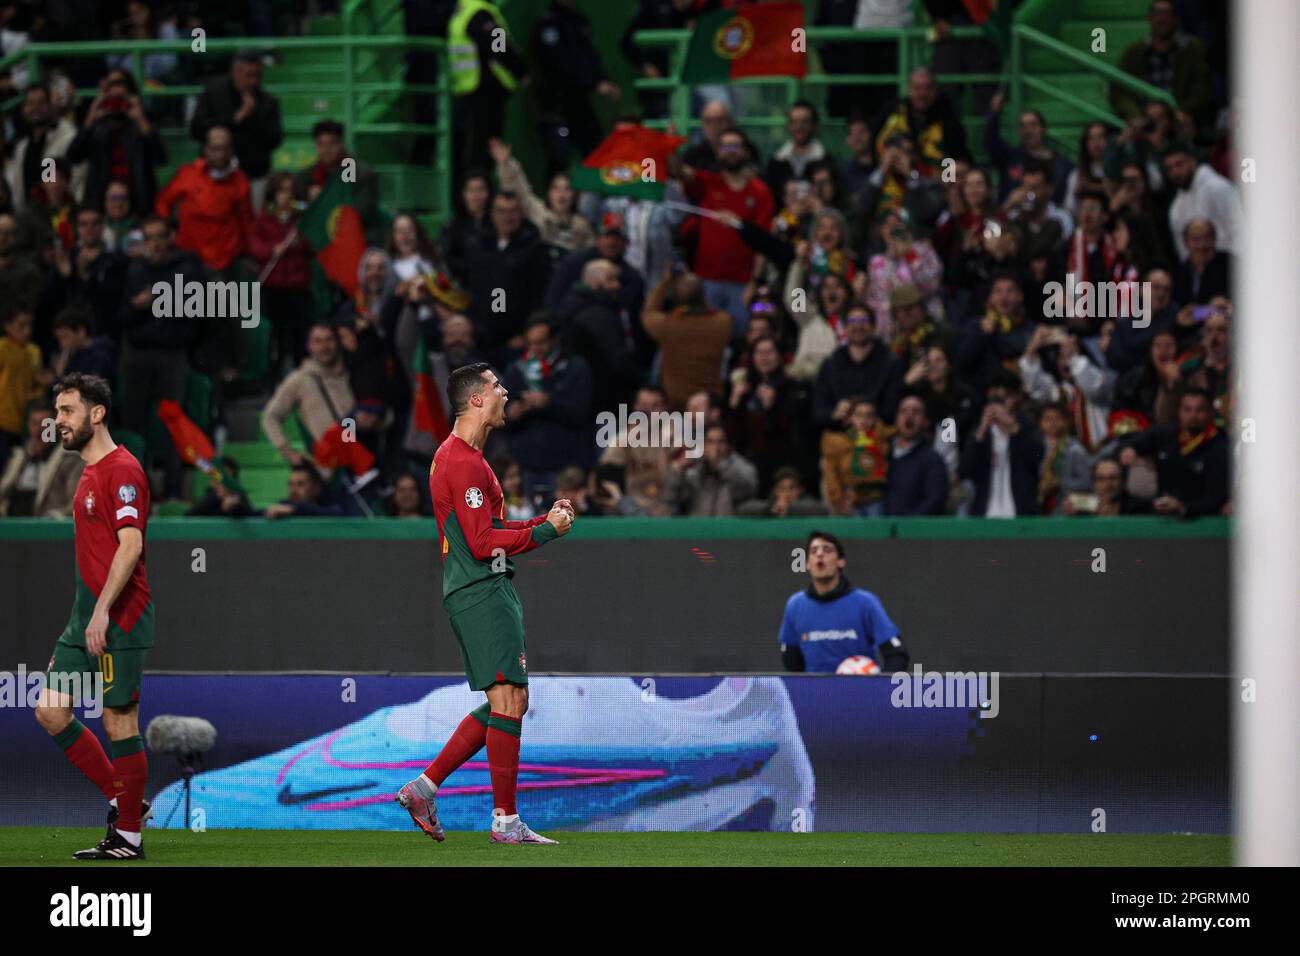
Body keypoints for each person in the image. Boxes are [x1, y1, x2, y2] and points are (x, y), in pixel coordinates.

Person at [398, 361, 573, 846]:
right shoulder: (462, 461)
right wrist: (544, 532)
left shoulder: (463, 458)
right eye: (496, 386)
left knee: (510, 701)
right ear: (476, 399)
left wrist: (544, 521)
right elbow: (480, 543)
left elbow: (489, 531)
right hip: (480, 589)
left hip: (485, 588)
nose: (505, 391)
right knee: (507, 700)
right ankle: (504, 821)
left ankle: (423, 788)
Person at [34, 373, 153, 860]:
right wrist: (87, 614)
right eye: (57, 411)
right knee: (50, 710)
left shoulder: (122, 470)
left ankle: (128, 837)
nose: (57, 421)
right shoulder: (88, 471)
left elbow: (132, 544)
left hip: (120, 618)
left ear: (96, 413)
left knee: (118, 720)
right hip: (83, 618)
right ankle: (126, 802)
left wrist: (103, 612)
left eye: (67, 411)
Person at [672, 127, 775, 334]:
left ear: (746, 152)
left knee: (739, 338)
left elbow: (764, 244)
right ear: (717, 152)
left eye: (735, 146)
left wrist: (753, 283)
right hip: (706, 283)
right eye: (725, 146)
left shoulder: (760, 192)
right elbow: (678, 171)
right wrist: (673, 144)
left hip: (742, 284)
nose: (730, 151)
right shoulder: (707, 183)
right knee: (704, 339)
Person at [778, 530, 910, 674]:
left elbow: (897, 654)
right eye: (813, 551)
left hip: (861, 693)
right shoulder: (795, 605)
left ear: (841, 561)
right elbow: (791, 662)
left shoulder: (865, 603)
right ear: (808, 564)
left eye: (827, 550)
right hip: (815, 694)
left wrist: (877, 688)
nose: (819, 554)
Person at [189, 49, 284, 211]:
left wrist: (253, 118)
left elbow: (274, 139)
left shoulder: (267, 101)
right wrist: (236, 119)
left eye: (257, 76)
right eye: (249, 75)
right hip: (215, 177)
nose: (253, 81)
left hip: (253, 176)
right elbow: (196, 129)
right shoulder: (213, 93)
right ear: (235, 72)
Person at [531, 0, 620, 170]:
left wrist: (602, 79)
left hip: (580, 100)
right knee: (559, 153)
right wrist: (594, 84)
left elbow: (589, 57)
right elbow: (558, 64)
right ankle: (557, 194)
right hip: (557, 103)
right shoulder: (548, 24)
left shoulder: (579, 20)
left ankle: (595, 192)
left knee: (595, 146)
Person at [154, 125, 253, 275]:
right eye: (215, 149)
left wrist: (247, 253)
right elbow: (163, 202)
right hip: (187, 255)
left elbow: (246, 220)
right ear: (206, 149)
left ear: (231, 150)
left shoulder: (240, 181)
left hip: (223, 259)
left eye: (224, 148)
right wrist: (165, 233)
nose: (220, 154)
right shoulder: (188, 174)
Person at [67, 69, 165, 217]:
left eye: (119, 83)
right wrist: (91, 117)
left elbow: (161, 158)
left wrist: (141, 121)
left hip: (138, 201)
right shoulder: (97, 123)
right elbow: (74, 155)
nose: (115, 90)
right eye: (110, 85)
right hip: (100, 202)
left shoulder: (143, 121)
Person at [448, 0, 529, 181]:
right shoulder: (480, 13)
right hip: (485, 91)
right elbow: (499, 46)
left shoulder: (459, 10)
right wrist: (521, 71)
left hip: (464, 88)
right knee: (484, 151)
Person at [1119, 387, 1227, 517]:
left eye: (1199, 410)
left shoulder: (1218, 445)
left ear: (1210, 413)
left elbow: (1216, 498)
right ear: (1179, 412)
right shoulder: (1164, 434)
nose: (1193, 415)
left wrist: (1183, 508)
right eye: (1187, 409)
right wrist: (1129, 449)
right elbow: (1131, 444)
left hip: (1200, 518)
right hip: (1162, 512)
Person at [261, 322, 356, 467]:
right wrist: (288, 452)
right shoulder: (300, 379)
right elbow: (270, 416)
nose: (324, 347)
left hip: (358, 458)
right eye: (318, 341)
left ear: (338, 342)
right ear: (309, 346)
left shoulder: (354, 372)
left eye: (329, 340)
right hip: (326, 466)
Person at [1110, 0, 1213, 133]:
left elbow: (1202, 90)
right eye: (1158, 13)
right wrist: (1135, 115)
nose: (1162, 19)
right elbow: (1119, 91)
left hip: (1180, 121)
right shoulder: (1134, 52)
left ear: (1176, 19)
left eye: (1167, 14)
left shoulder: (1192, 49)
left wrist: (1179, 112)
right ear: (1150, 18)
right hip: (1144, 122)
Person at [641, 266, 732, 410]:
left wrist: (665, 282)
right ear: (703, 295)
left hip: (675, 401)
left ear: (676, 299)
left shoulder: (667, 325)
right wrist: (695, 290)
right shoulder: (722, 322)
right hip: (708, 402)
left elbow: (648, 312)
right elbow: (709, 309)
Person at [960, 370, 1045, 517]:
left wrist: (1014, 428)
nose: (1000, 405)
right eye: (995, 399)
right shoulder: (980, 432)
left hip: (1020, 514)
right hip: (985, 514)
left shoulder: (1028, 427)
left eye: (1005, 398)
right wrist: (981, 431)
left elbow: (1037, 457)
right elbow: (966, 470)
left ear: (1017, 397)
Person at [292, 120, 382, 244]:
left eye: (332, 144)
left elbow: (363, 213)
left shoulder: (361, 174)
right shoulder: (305, 178)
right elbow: (296, 209)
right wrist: (309, 203)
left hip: (353, 238)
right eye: (321, 144)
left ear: (341, 144)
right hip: (317, 238)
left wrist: (324, 201)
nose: (327, 150)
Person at [4, 81, 82, 214]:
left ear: (51, 106)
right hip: (28, 220)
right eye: (30, 103)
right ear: (23, 109)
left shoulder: (66, 137)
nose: (35, 108)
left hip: (59, 217)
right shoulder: (22, 147)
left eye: (41, 103)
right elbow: (18, 192)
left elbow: (71, 181)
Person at [0, 397, 83, 516]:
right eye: (34, 423)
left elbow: (77, 505)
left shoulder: (71, 459)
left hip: (49, 531)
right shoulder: (18, 457)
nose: (39, 430)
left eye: (45, 424)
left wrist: (53, 519)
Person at [1163, 143, 1243, 260]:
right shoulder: (1176, 207)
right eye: (1169, 168)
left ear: (1192, 162)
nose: (1175, 172)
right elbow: (1183, 250)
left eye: (1179, 164)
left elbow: (1239, 230)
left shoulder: (1219, 188)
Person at [665, 422, 758, 516]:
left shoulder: (741, 467)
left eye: (720, 442)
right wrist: (679, 473)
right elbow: (672, 498)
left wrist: (721, 465)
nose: (716, 448)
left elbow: (747, 491)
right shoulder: (695, 470)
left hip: (730, 528)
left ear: (728, 445)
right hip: (699, 528)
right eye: (710, 442)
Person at [884, 393, 948, 516]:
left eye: (916, 411)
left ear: (925, 422)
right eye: (903, 411)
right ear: (896, 420)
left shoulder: (932, 460)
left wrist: (909, 525)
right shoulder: (883, 454)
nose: (909, 415)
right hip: (878, 531)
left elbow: (935, 500)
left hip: (915, 532)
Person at [765, 100, 829, 203]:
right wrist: (790, 216)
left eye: (805, 121)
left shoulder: (827, 161)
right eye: (794, 122)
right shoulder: (775, 162)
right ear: (788, 126)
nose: (799, 127)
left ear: (815, 125)